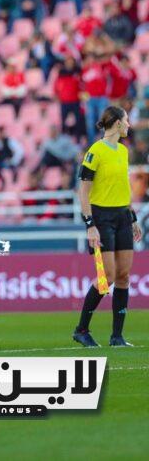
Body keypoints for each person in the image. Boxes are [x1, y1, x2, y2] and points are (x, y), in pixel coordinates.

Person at [74, 106, 142, 348]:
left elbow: (121, 186)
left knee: (123, 276)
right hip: (101, 218)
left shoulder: (123, 151)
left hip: (122, 215)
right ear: (116, 123)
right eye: (126, 121)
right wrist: (89, 225)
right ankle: (81, 330)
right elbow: (83, 189)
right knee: (107, 277)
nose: (129, 125)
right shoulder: (95, 151)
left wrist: (132, 216)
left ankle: (117, 337)